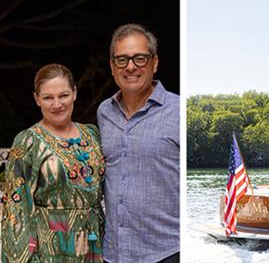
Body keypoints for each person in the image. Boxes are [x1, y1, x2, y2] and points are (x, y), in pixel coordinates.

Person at [1, 64, 105, 261]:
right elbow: (15, 211)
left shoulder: (92, 134)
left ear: (74, 93)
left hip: (94, 246)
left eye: (63, 95)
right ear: (37, 99)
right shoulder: (27, 142)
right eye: (48, 97)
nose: (57, 104)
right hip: (50, 250)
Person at [97, 24, 180, 263]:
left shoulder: (178, 111)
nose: (130, 66)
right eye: (122, 59)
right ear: (112, 67)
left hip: (166, 253)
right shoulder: (104, 113)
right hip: (114, 253)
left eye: (139, 58)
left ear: (154, 63)